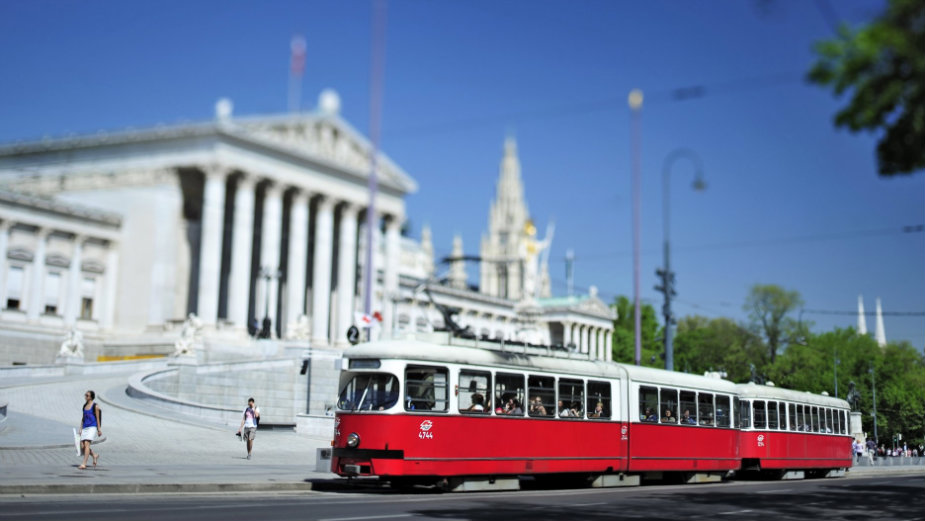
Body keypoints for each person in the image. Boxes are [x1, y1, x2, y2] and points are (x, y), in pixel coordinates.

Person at [77, 390, 101, 470]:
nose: (85, 397)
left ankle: (84, 464)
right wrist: (80, 428)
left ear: (91, 397)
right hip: (85, 427)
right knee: (83, 446)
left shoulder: (95, 406)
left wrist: (99, 429)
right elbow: (83, 418)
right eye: (85, 395)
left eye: (87, 395)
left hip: (92, 427)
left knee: (87, 444)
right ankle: (94, 455)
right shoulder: (84, 406)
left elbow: (98, 418)